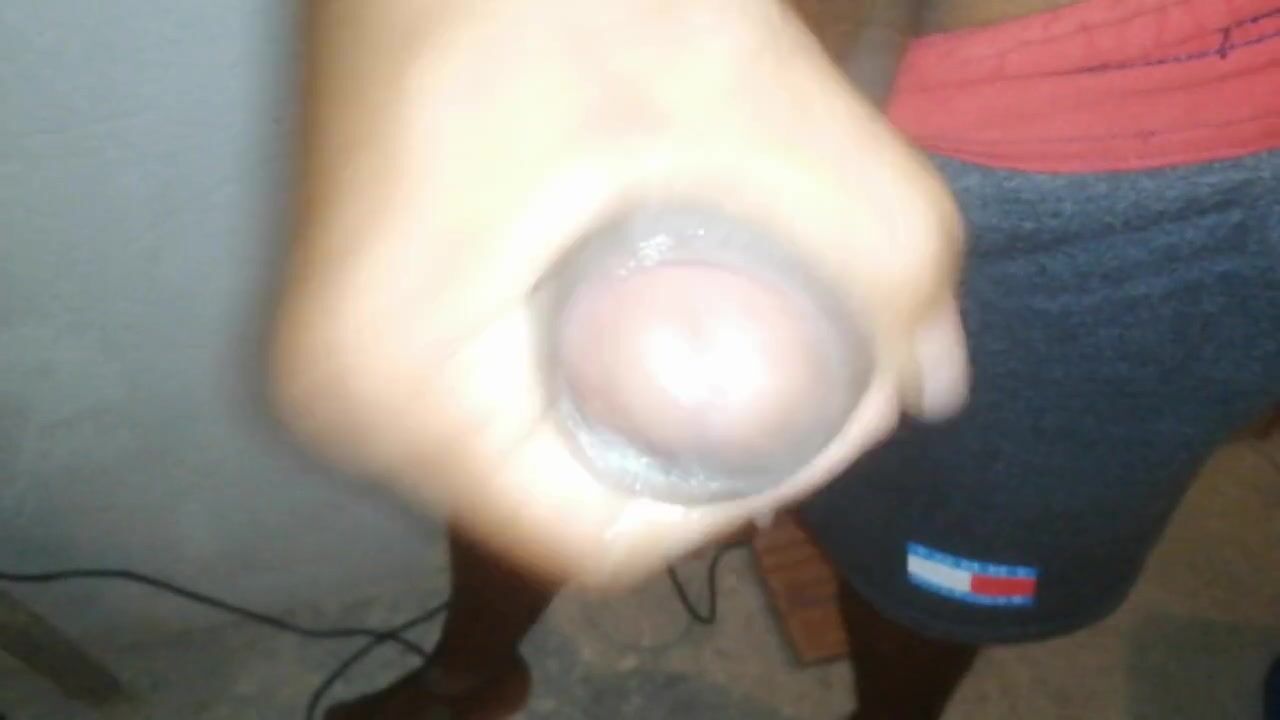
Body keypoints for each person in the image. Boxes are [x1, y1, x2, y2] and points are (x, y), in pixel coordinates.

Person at [269, 0, 1280, 718]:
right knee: (548, 405)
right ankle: (466, 676)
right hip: (780, 44)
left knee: (947, 568)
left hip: (1175, 150)